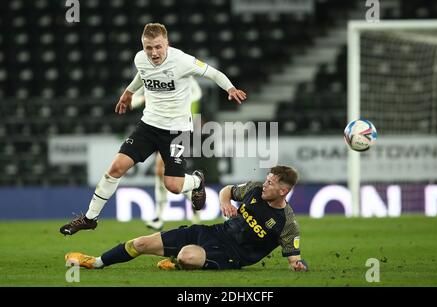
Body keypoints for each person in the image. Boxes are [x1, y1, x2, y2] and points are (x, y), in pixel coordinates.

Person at [60, 23, 247, 235]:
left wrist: (230, 88)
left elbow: (213, 73)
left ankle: (196, 181)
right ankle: (89, 218)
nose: (154, 52)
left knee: (173, 186)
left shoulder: (182, 61)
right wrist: (128, 93)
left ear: (167, 43)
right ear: (143, 46)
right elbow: (142, 74)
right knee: (116, 168)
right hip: (148, 125)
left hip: (177, 131)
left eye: (158, 47)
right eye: (149, 48)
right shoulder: (140, 58)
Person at [65, 166, 309, 272]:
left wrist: (298, 266)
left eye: (271, 183)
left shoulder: (287, 224)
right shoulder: (255, 189)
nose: (265, 184)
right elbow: (227, 191)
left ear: (283, 191)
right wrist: (225, 202)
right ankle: (95, 262)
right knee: (141, 244)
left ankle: (179, 263)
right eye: (266, 179)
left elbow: (294, 259)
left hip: (230, 255)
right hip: (213, 232)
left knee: (186, 255)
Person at [130, 77, 202, 231]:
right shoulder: (150, 79)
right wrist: (145, 98)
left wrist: (176, 100)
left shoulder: (184, 75)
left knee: (166, 172)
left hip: (178, 128)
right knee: (161, 173)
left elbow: (197, 94)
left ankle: (160, 216)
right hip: (156, 128)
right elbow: (132, 101)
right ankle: (193, 204)